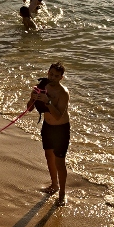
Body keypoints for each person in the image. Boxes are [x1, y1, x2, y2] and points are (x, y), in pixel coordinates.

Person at [29, 62, 71, 204]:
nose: (52, 77)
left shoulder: (63, 93)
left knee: (60, 162)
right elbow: (28, 108)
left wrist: (48, 102)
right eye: (51, 74)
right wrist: (32, 97)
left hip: (61, 129)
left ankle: (63, 193)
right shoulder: (42, 87)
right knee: (48, 157)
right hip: (47, 127)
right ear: (48, 72)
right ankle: (54, 184)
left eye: (56, 76)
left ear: (61, 78)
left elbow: (59, 115)